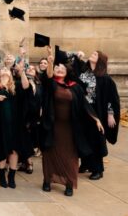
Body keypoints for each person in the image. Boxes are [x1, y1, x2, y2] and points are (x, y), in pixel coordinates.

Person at [40, 48, 105, 196]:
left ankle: (69, 183)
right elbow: (48, 76)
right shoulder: (51, 85)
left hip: (70, 128)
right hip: (52, 126)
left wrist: (96, 119)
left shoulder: (74, 87)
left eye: (62, 68)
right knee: (50, 154)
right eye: (57, 68)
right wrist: (50, 61)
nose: (59, 70)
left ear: (67, 72)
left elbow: (84, 104)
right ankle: (47, 180)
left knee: (70, 156)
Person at [73, 50, 121, 180]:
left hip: (97, 112)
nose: (91, 55)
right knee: (83, 137)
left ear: (100, 60)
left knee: (95, 140)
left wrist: (111, 114)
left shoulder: (105, 78)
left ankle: (98, 169)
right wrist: (77, 58)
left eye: (95, 54)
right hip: (83, 111)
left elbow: (112, 98)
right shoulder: (85, 73)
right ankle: (86, 164)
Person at [0, 65, 28, 188]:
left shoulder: (16, 86)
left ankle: (11, 176)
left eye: (7, 70)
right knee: (2, 149)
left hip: (15, 124)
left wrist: (22, 72)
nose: (5, 71)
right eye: (2, 70)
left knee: (14, 150)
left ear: (11, 73)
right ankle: (1, 176)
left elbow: (26, 86)